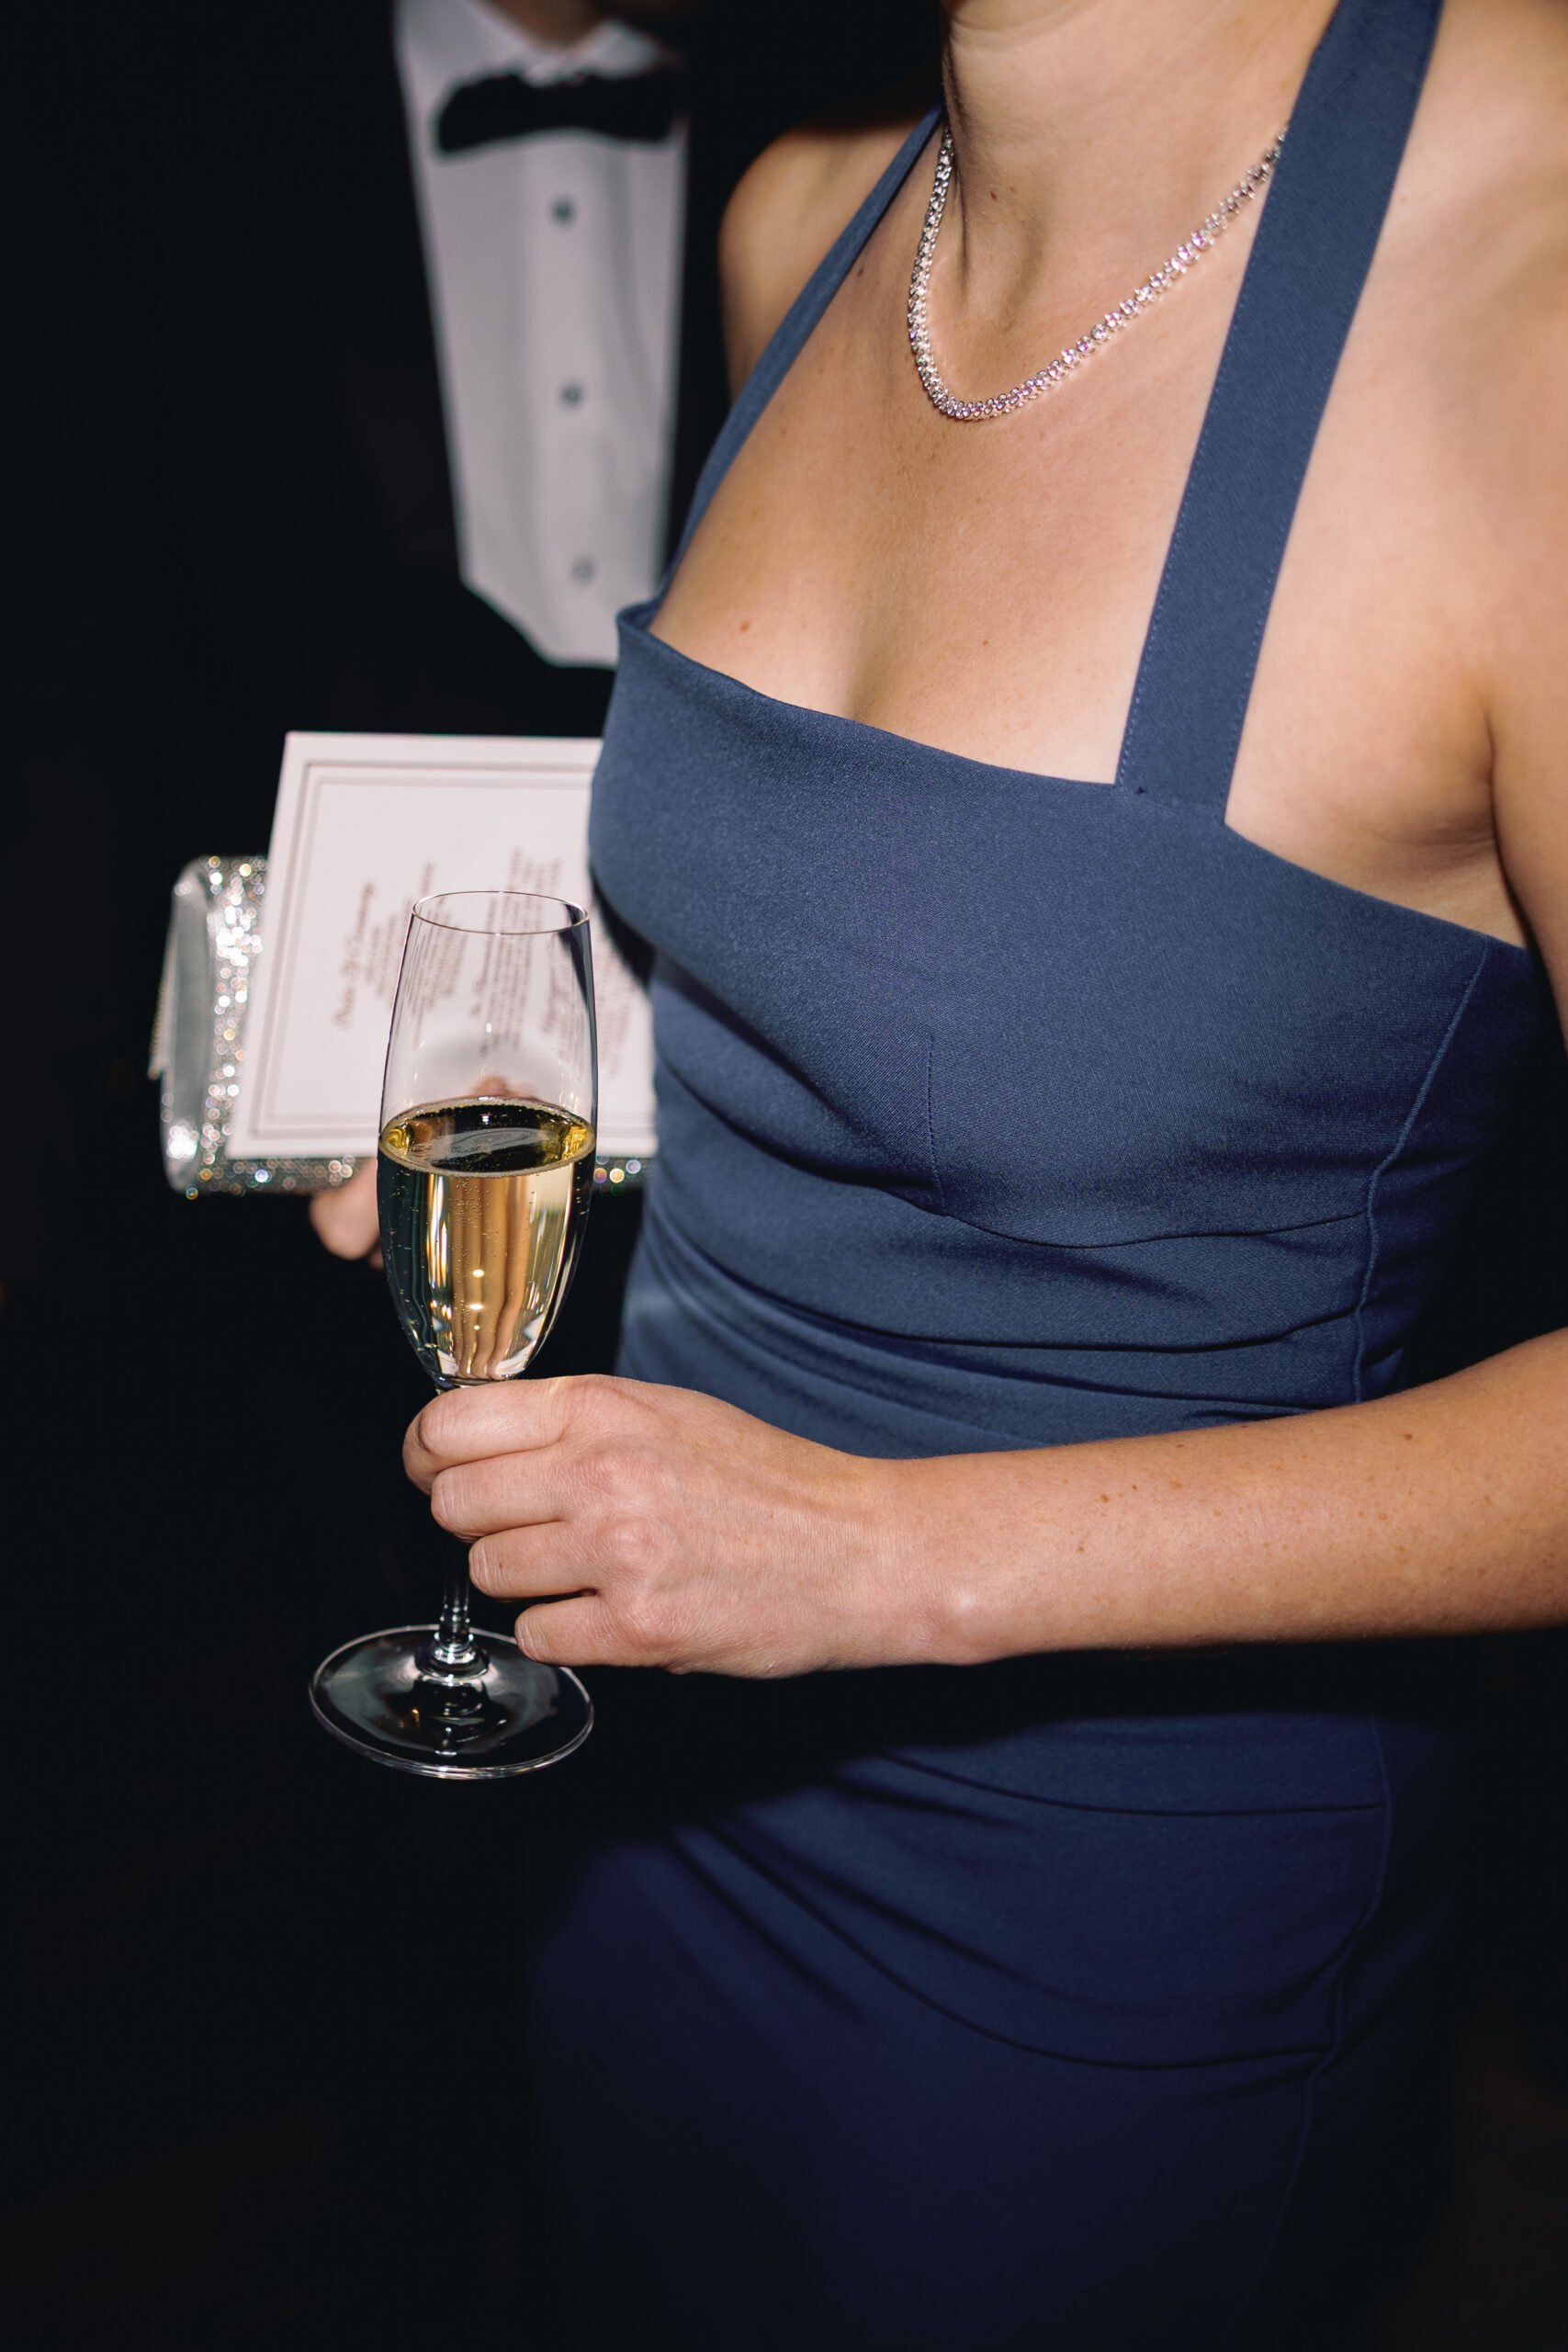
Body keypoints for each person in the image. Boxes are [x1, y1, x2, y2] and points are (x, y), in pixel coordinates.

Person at [352, 0, 1568, 2341]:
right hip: (632, 1782)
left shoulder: (1521, 278)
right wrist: (522, 1107)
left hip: (1083, 1940)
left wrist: (890, 1557)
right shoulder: (802, 218)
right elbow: (863, 979)